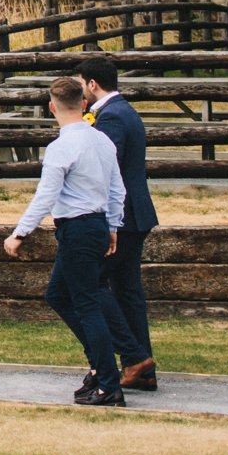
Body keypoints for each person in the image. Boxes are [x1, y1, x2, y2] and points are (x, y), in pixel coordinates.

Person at [3, 75, 127, 406]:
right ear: (83, 104)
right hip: (97, 225)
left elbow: (46, 195)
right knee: (58, 294)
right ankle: (99, 365)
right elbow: (117, 188)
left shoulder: (61, 147)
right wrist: (112, 226)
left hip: (77, 227)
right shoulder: (102, 141)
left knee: (86, 303)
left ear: (51, 107)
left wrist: (20, 233)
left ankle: (108, 381)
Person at [81, 56, 159, 392]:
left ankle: (133, 356)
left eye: (82, 84)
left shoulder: (110, 117)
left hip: (121, 217)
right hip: (136, 213)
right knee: (127, 291)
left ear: (92, 84)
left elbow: (103, 168)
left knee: (93, 285)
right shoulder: (125, 110)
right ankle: (143, 367)